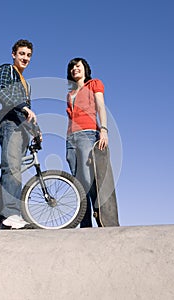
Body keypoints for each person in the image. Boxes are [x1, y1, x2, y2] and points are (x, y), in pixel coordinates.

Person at [65, 57, 119, 227]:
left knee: (89, 180)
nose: (75, 69)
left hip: (88, 134)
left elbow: (101, 106)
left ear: (85, 68)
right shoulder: (70, 94)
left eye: (78, 66)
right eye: (72, 67)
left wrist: (104, 129)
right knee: (77, 182)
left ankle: (103, 221)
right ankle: (85, 224)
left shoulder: (94, 84)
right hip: (70, 138)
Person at [0, 39, 38, 229]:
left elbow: (28, 112)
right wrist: (23, 107)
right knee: (12, 170)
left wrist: (36, 131)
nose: (25, 58)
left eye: (28, 55)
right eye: (21, 54)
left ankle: (2, 221)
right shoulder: (7, 70)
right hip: (10, 124)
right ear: (13, 54)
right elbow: (1, 91)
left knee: (10, 172)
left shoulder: (26, 83)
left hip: (21, 127)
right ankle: (11, 213)